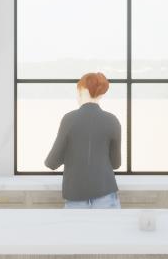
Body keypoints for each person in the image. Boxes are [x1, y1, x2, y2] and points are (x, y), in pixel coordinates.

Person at [45, 71, 121, 209]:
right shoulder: (112, 120)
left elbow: (52, 162)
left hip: (76, 195)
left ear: (82, 90)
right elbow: (116, 164)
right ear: (101, 94)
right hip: (106, 192)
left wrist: (71, 152)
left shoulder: (69, 119)